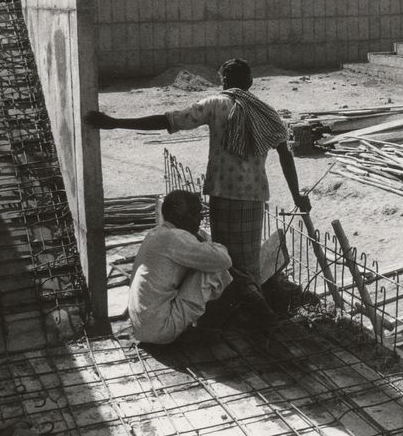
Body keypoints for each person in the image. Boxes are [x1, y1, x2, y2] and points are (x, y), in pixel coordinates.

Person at [86, 58, 311, 283]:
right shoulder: (265, 112)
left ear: (224, 81)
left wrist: (115, 122)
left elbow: (168, 121)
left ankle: (236, 308)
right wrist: (296, 196)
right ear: (250, 82)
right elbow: (285, 154)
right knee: (248, 263)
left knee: (223, 260)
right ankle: (252, 307)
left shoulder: (215, 104)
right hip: (253, 198)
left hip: (222, 194)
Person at [127, 190, 234, 345]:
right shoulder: (175, 238)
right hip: (161, 330)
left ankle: (193, 325)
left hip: (143, 328)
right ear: (179, 217)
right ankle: (213, 324)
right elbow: (224, 260)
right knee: (216, 270)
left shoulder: (157, 233)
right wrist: (213, 245)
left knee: (202, 264)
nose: (201, 217)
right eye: (195, 213)